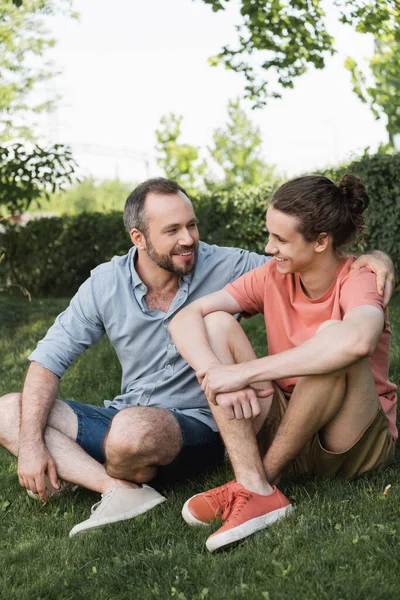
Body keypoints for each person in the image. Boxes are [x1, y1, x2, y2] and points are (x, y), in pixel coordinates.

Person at [0, 178, 393, 538]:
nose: (188, 239)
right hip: (157, 412)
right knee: (9, 412)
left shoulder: (251, 266)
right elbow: (50, 360)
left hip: (257, 425)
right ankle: (119, 488)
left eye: (191, 225)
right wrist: (32, 445)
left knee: (326, 343)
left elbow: (339, 303)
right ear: (138, 237)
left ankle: (254, 484)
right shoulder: (107, 282)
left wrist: (378, 257)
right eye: (172, 230)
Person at [169, 174, 397, 553]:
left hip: (351, 439)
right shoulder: (271, 276)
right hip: (291, 422)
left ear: (321, 241)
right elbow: (185, 317)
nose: (268, 246)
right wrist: (212, 370)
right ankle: (252, 483)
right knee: (215, 323)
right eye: (270, 235)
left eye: (280, 239)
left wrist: (243, 373)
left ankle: (259, 484)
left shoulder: (359, 279)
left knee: (333, 337)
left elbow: (357, 341)